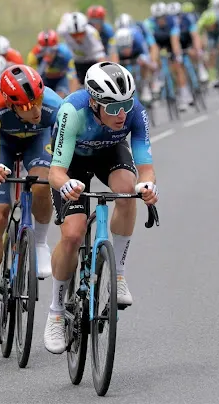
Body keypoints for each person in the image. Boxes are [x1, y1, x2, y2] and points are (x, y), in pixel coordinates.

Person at [43, 61, 158, 354]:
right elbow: (55, 172)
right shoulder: (73, 111)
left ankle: (117, 274)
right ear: (94, 103)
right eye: (112, 108)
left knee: (127, 189)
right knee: (72, 234)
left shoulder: (134, 112)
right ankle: (55, 311)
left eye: (126, 105)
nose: (121, 114)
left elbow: (145, 166)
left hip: (108, 153)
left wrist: (148, 186)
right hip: (73, 163)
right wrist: (66, 185)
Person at [0, 65, 63, 341]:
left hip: (38, 141)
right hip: (2, 143)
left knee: (41, 183)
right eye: (27, 106)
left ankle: (38, 242)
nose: (35, 110)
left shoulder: (54, 107)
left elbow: (63, 156)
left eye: (37, 100)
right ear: (12, 106)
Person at [146, 2, 192, 111]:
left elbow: (175, 40)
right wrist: (154, 61)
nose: (160, 20)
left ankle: (183, 94)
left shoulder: (172, 21)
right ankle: (157, 77)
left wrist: (177, 56)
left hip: (170, 41)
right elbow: (152, 44)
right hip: (158, 42)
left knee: (177, 67)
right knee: (155, 52)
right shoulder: (149, 23)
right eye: (158, 18)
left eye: (162, 17)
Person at [57, 11, 107, 86]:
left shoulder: (92, 33)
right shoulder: (63, 30)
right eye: (74, 35)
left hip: (92, 61)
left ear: (85, 30)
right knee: (72, 78)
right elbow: (64, 17)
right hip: (76, 61)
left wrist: (106, 74)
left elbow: (101, 56)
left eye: (81, 34)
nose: (78, 38)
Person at [115, 27, 157, 103]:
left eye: (127, 47)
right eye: (122, 48)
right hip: (121, 57)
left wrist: (149, 64)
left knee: (144, 61)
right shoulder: (114, 43)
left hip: (137, 54)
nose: (125, 50)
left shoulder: (138, 38)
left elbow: (147, 56)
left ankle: (145, 85)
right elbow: (113, 61)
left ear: (131, 42)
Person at [33, 29, 80, 98]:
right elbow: (33, 78)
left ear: (56, 48)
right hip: (45, 78)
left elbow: (73, 76)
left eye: (51, 51)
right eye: (44, 51)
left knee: (60, 96)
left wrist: (72, 97)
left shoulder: (65, 53)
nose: (48, 54)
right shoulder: (34, 55)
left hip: (61, 78)